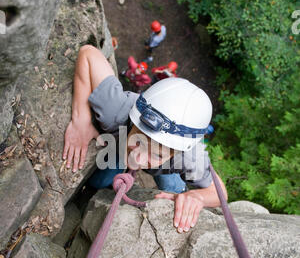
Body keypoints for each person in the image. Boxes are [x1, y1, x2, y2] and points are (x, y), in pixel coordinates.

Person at [63, 45, 228, 233]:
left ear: (179, 151)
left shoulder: (187, 157)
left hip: (167, 166)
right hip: (118, 144)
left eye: (156, 154)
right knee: (99, 182)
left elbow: (219, 193)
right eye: (139, 141)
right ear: (133, 121)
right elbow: (88, 53)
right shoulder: (117, 112)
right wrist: (81, 118)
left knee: (173, 191)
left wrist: (196, 197)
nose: (138, 160)